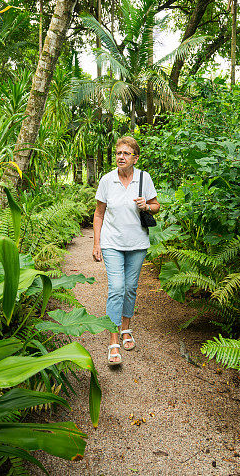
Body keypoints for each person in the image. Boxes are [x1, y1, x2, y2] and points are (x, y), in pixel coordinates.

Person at [92, 136, 160, 365]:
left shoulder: (144, 178)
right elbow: (99, 213)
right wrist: (96, 243)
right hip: (112, 242)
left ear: (135, 158)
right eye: (118, 153)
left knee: (130, 288)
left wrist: (147, 206)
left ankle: (126, 329)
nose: (121, 157)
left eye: (126, 153)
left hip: (137, 243)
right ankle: (113, 340)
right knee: (117, 287)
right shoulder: (107, 180)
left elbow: (156, 206)